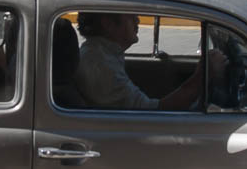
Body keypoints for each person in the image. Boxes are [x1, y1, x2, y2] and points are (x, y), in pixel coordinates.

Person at [74, 12, 223, 110]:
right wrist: (202, 76)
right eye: (131, 15)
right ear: (108, 24)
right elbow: (153, 113)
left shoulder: (101, 55)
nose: (137, 19)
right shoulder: (101, 65)